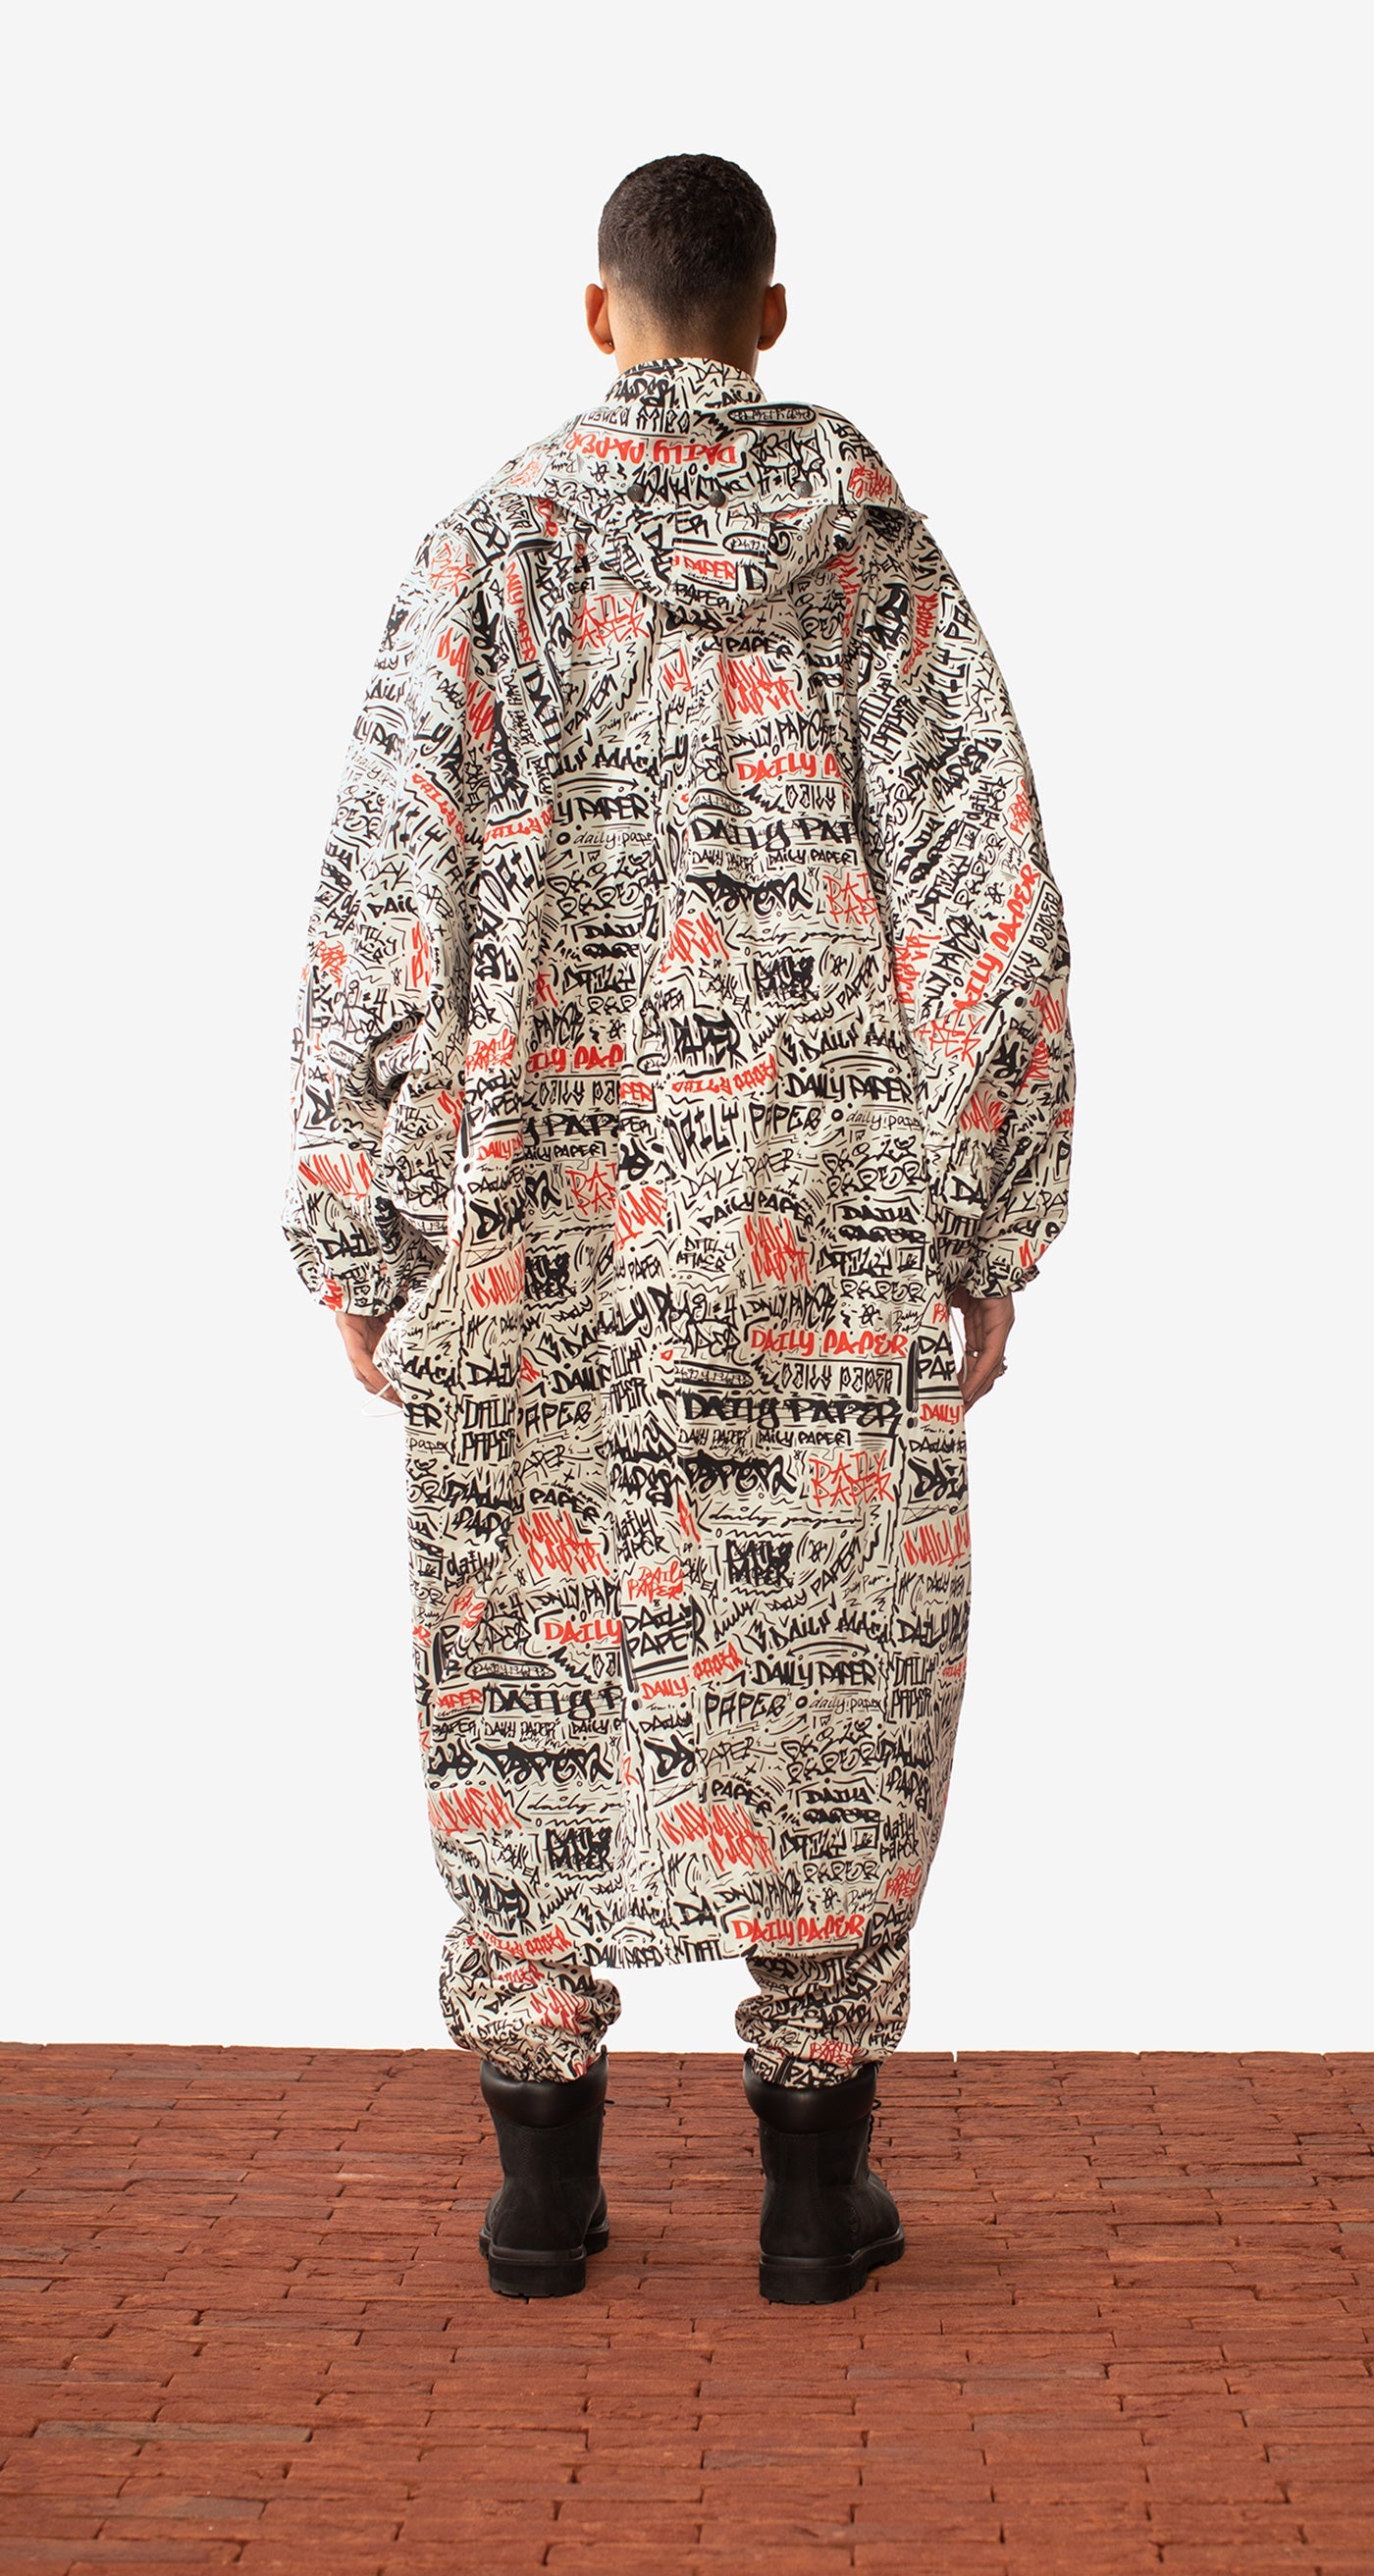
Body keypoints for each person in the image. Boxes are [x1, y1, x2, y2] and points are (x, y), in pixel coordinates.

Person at [283, 153, 1075, 2305]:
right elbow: (986, 907)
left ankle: (542, 2188)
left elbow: (386, 905)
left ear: (596, 312)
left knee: (527, 1649)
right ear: (773, 316)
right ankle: (814, 2193)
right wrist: (982, 1227)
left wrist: (364, 1226)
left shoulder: (490, 556)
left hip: (536, 1241)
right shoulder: (880, 563)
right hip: (828, 1228)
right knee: (839, 1678)